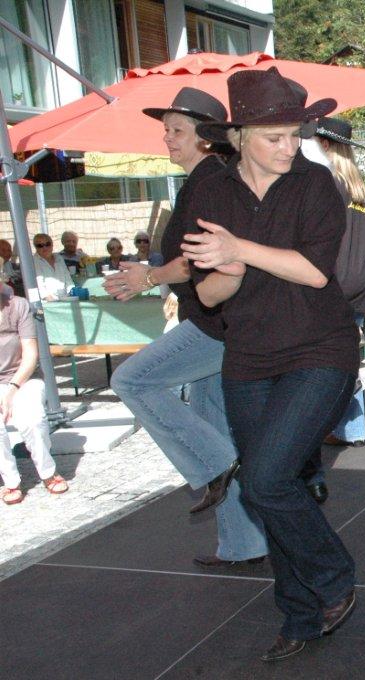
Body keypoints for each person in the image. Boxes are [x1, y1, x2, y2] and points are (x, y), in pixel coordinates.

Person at [181, 67, 360, 662]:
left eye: (294, 135)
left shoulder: (315, 184)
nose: (290, 147)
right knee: (273, 487)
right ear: (238, 137)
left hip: (319, 349)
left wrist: (239, 249)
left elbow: (314, 272)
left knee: (264, 479)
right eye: (274, 137)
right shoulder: (211, 193)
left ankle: (332, 576)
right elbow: (205, 294)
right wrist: (228, 275)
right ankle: (301, 615)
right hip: (249, 357)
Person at [106, 86, 267, 571]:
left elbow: (196, 259)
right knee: (212, 422)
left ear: (205, 137)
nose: (167, 139)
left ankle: (215, 464)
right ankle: (243, 544)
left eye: (176, 130)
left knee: (130, 380)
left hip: (214, 326)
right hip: (217, 323)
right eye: (166, 130)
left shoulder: (211, 182)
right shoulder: (204, 181)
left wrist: (148, 276)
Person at [304, 116, 365, 501]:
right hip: (360, 278)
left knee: (326, 363)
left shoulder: (325, 182)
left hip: (334, 281)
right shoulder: (357, 186)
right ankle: (352, 428)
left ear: (326, 145)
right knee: (350, 358)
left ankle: (325, 427)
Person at [0, 286, 68, 505]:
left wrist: (11, 390)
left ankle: (48, 472)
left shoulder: (18, 306)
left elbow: (30, 355)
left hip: (23, 378)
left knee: (32, 419)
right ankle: (11, 481)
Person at [31, 233, 74, 300]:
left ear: (52, 245)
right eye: (40, 245)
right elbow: (39, 286)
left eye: (47, 244)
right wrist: (50, 300)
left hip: (65, 298)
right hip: (46, 302)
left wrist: (73, 293)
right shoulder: (33, 261)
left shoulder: (59, 258)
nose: (45, 248)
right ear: (35, 247)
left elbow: (68, 280)